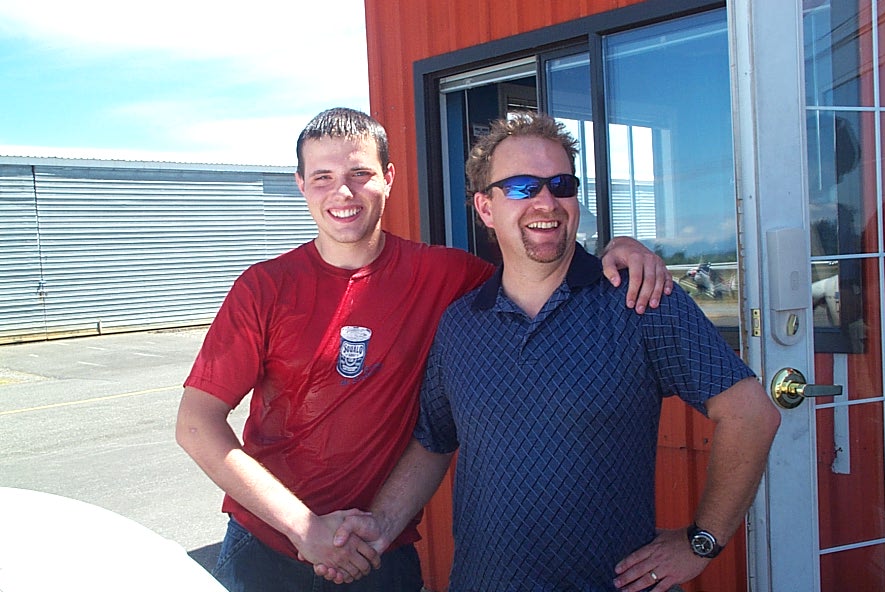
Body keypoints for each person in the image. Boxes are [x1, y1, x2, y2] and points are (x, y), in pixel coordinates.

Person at [175, 107, 673, 592]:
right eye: (322, 177)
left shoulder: (447, 276)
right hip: (269, 548)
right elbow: (196, 424)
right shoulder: (264, 288)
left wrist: (619, 249)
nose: (342, 192)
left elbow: (539, 265)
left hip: (379, 554)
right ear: (301, 185)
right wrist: (304, 528)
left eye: (360, 173)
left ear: (389, 177)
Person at [323, 112, 781, 591]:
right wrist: (379, 525)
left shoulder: (638, 301)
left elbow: (751, 415)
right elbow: (434, 441)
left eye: (561, 184)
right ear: (485, 208)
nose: (547, 200)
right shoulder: (461, 323)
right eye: (523, 186)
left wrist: (700, 541)